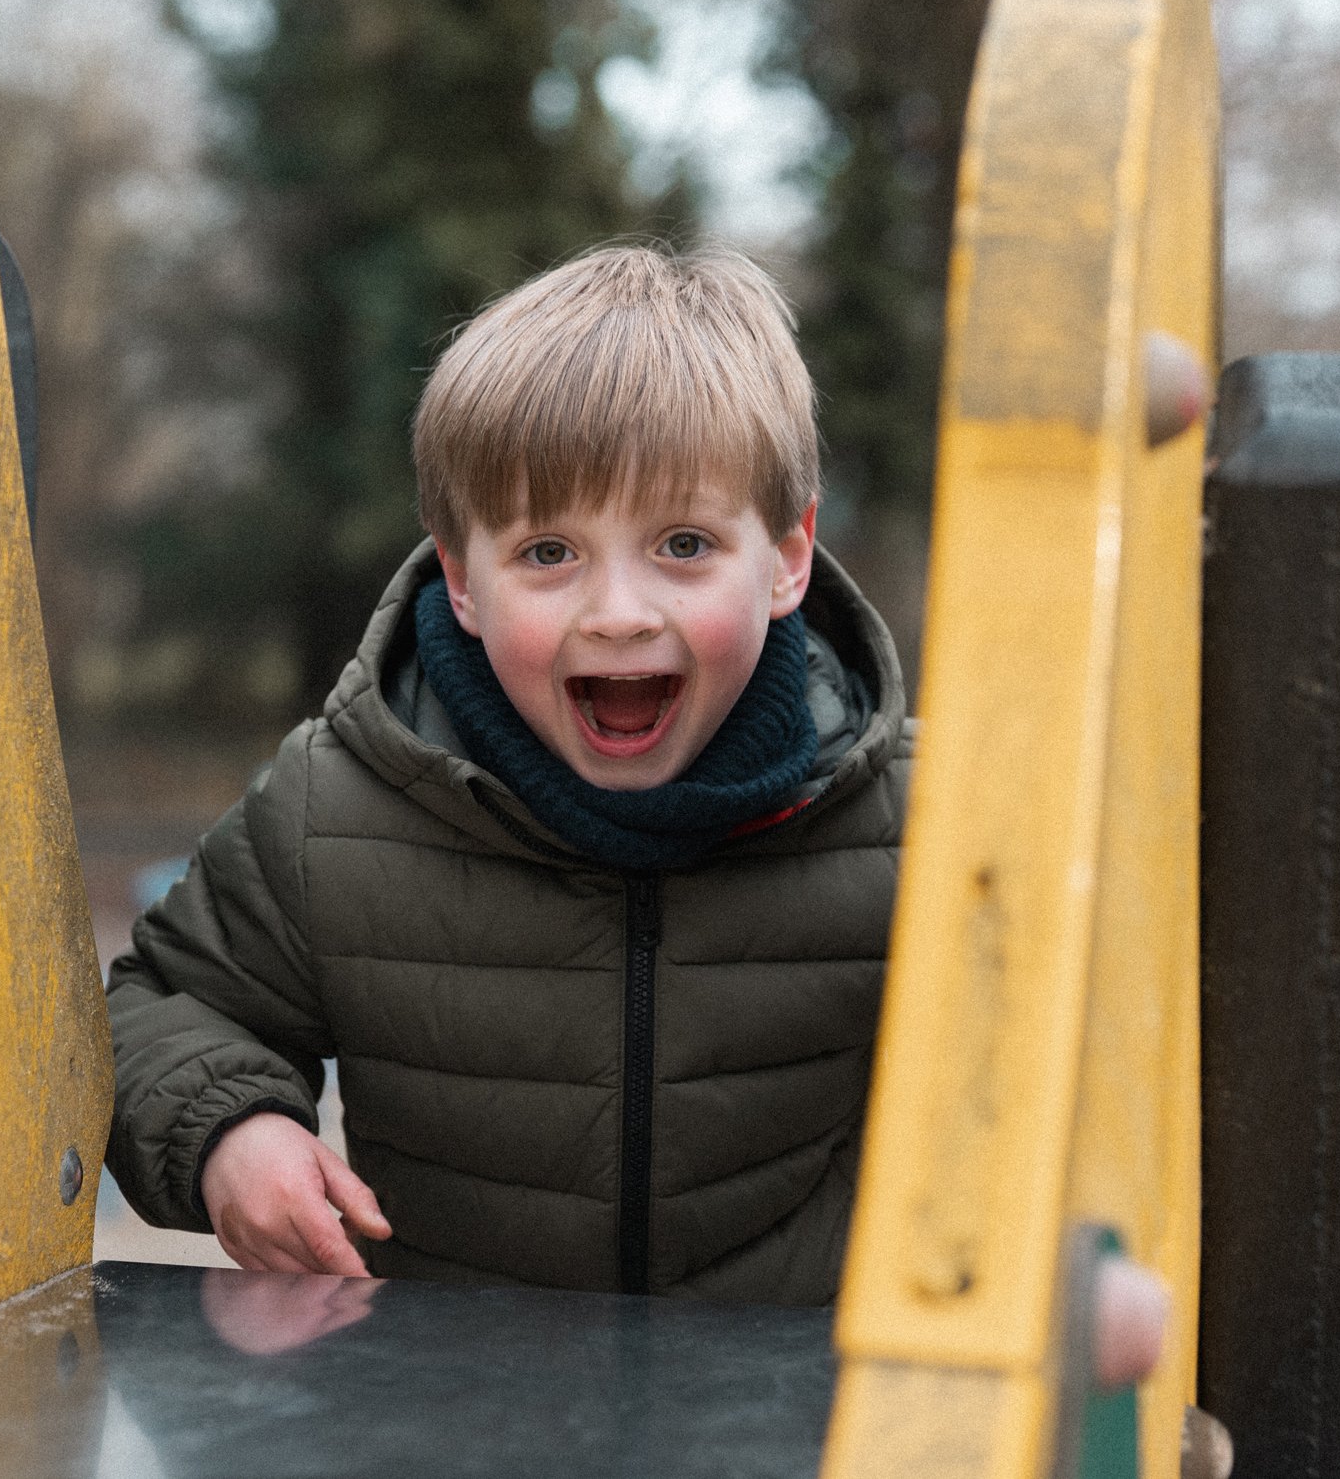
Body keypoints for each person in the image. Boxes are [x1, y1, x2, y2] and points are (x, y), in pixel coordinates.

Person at [102, 243, 911, 1306]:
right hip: (455, 1405)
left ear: (788, 557)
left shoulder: (912, 821)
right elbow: (164, 999)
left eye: (681, 542)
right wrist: (230, 1130)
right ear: (461, 578)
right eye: (546, 552)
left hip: (794, 1413)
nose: (619, 610)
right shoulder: (340, 806)